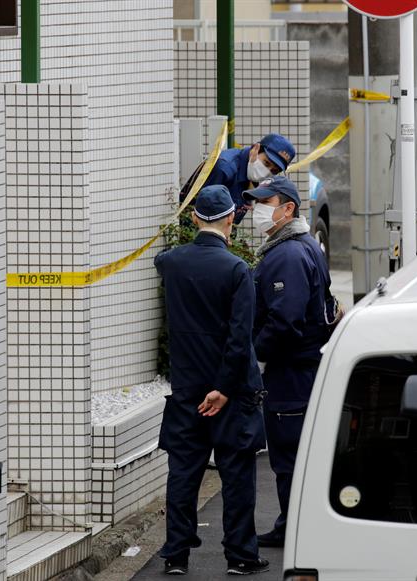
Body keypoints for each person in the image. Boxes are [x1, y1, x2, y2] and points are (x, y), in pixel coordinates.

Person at [155, 185, 269, 576]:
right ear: (231, 218)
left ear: (193, 218)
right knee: (237, 476)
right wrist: (223, 388)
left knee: (183, 473)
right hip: (232, 393)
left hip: (187, 389)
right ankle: (240, 555)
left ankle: (176, 555)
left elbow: (160, 259)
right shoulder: (236, 270)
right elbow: (240, 337)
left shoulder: (171, 263)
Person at [242, 176, 332, 548]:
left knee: (290, 455)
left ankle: (293, 529)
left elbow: (285, 321)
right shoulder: (303, 246)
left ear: (288, 208)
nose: (258, 210)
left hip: (291, 372)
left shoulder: (287, 255)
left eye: (266, 203)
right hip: (304, 369)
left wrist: (254, 355)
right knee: (299, 454)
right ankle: (298, 525)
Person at [181, 133, 296, 224]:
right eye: (266, 163)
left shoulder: (253, 176)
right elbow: (199, 213)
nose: (267, 171)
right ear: (255, 149)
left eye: (274, 171)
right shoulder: (224, 168)